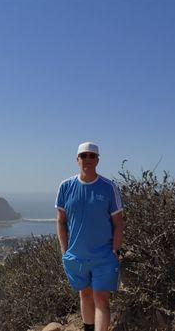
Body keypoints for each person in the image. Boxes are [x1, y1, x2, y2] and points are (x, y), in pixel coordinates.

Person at [55, 142, 123, 331]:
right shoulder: (65, 187)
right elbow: (61, 221)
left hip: (103, 255)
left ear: (98, 160)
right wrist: (64, 251)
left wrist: (116, 251)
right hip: (76, 256)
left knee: (100, 297)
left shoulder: (109, 187)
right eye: (84, 156)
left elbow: (118, 222)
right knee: (85, 295)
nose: (88, 159)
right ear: (77, 160)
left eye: (92, 156)